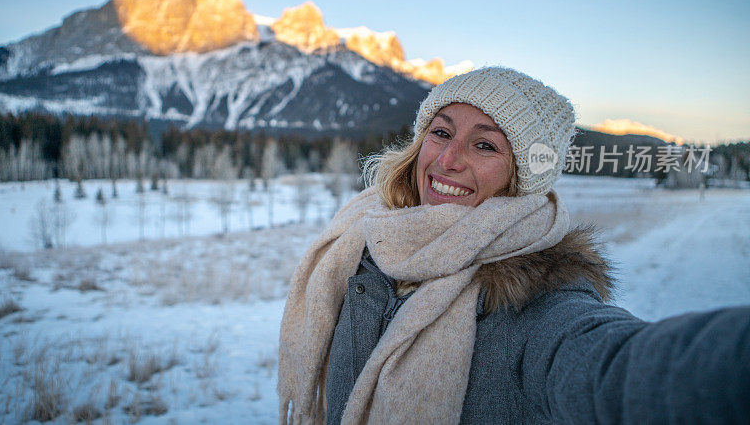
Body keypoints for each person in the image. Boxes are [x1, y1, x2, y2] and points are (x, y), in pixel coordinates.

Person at [277, 67, 750, 425]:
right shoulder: (363, 245)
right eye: (440, 132)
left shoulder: (538, 301)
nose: (447, 160)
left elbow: (618, 368)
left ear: (523, 177)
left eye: (485, 146)